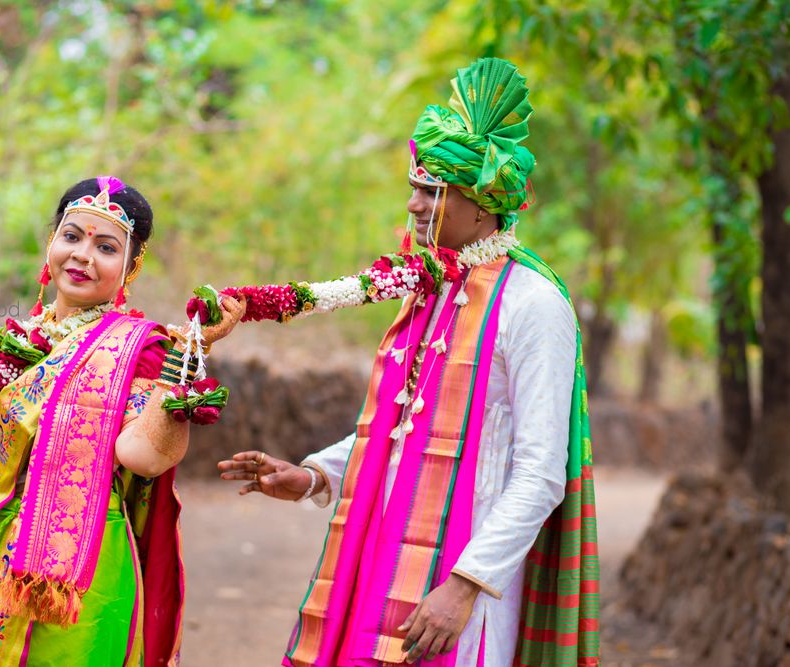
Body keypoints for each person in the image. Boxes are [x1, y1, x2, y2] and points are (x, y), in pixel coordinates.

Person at [218, 58, 599, 667]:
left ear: (481, 204)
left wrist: (465, 584)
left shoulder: (533, 305)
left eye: (432, 191)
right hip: (383, 551)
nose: (414, 205)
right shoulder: (432, 289)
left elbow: (540, 472)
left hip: (465, 583)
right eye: (415, 188)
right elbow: (405, 429)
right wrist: (315, 475)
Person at [0, 176, 245, 666]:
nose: (82, 255)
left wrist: (191, 354)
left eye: (106, 246)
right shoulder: (13, 338)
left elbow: (143, 458)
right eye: (72, 236)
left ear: (131, 269)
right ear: (51, 244)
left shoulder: (141, 350)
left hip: (79, 567)